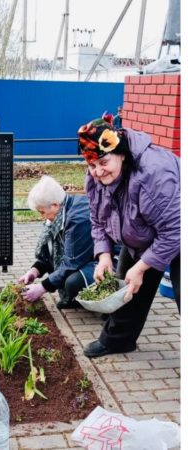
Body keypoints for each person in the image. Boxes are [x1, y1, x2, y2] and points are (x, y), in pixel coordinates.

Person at [78, 114, 180, 358]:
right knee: (127, 284)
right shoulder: (94, 179)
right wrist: (103, 255)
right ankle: (118, 341)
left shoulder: (153, 173)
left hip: (179, 225)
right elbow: (97, 219)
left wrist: (143, 266)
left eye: (103, 162)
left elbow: (175, 230)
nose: (98, 172)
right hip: (144, 233)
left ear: (121, 153)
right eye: (91, 165)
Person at [17, 176, 95, 309]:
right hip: (87, 257)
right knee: (64, 277)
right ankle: (75, 297)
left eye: (42, 212)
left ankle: (100, 302)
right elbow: (51, 251)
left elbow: (71, 264)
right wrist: (35, 270)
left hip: (110, 262)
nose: (42, 217)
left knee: (73, 282)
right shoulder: (63, 210)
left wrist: (42, 287)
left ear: (55, 205)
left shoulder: (78, 219)